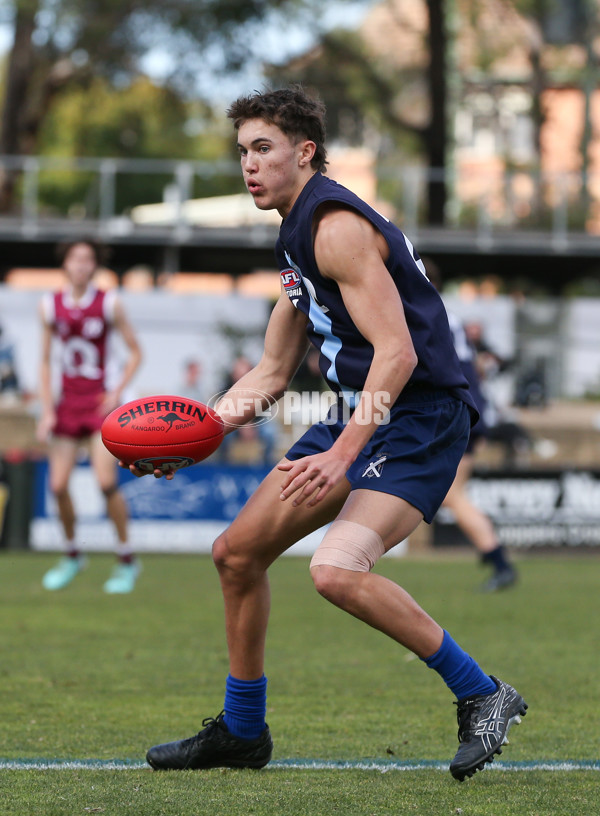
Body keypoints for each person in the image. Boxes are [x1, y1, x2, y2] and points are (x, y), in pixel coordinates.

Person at [139, 87, 527, 781]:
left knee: (336, 570)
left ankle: (484, 693)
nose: (249, 166)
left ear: (305, 151)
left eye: (263, 149)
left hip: (417, 418)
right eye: (242, 153)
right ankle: (242, 731)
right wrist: (187, 439)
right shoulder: (294, 234)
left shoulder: (335, 227)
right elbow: (269, 373)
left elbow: (399, 353)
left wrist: (345, 452)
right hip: (360, 411)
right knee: (236, 555)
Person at [37, 240, 143, 593]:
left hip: (100, 406)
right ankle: (71, 555)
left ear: (95, 265)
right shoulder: (49, 305)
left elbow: (135, 353)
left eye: (87, 259)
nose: (81, 265)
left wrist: (116, 392)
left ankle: (126, 559)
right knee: (57, 485)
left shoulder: (109, 303)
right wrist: (47, 409)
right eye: (75, 258)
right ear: (64, 263)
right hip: (68, 404)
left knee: (105, 482)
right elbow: (44, 360)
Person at [425, 260, 517, 592]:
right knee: (451, 494)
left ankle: (498, 559)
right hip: (466, 412)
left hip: (460, 415)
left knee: (452, 494)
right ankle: (495, 557)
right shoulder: (447, 316)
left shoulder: (427, 314)